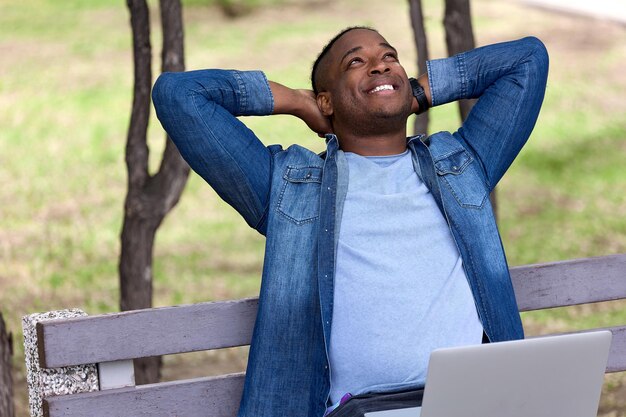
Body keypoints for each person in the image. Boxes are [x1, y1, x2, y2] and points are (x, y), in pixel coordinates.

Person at [152, 26, 549, 417]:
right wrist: (295, 101)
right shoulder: (289, 186)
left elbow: (528, 60)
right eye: (356, 62)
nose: (380, 66)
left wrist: (421, 91)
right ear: (327, 101)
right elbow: (179, 95)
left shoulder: (462, 164)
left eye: (389, 56)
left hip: (475, 405)